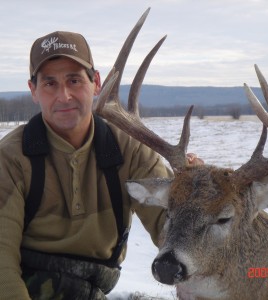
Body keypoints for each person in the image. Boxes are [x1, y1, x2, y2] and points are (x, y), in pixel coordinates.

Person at [0, 30, 202, 300]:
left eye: (74, 80)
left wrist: (197, 198)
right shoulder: (11, 158)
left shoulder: (129, 149)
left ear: (96, 82)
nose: (64, 96)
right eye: (50, 84)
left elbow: (170, 227)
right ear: (33, 90)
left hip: (92, 288)